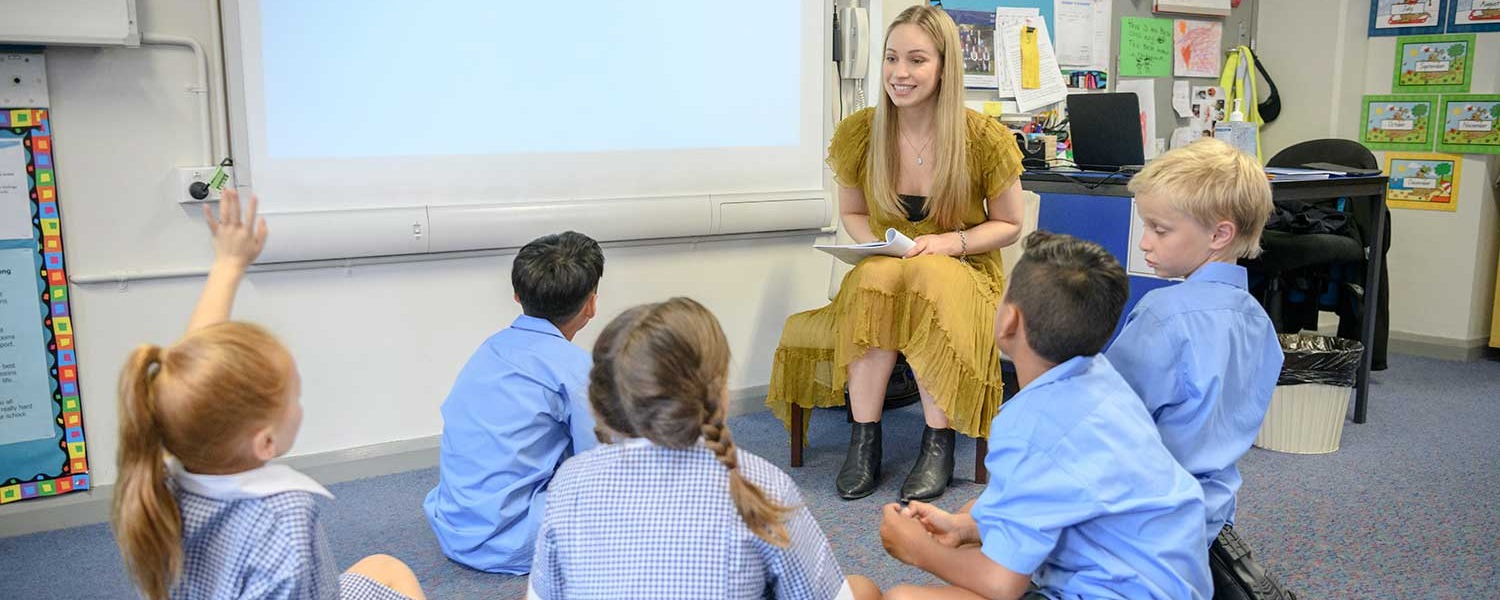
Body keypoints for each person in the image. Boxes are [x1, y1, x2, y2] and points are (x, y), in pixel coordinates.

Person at [767, 5, 1026, 502]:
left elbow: (1011, 224)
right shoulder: (862, 132)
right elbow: (854, 213)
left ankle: (938, 442)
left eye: (916, 60)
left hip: (964, 268)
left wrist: (949, 243)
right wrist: (879, 247)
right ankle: (864, 441)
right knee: (873, 279)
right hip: (890, 266)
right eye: (891, 59)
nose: (899, 73)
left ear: (945, 68)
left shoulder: (983, 138)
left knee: (932, 275)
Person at [112, 189, 424, 600]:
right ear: (266, 442)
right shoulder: (284, 517)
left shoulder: (170, 477)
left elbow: (200, 367)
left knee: (383, 568)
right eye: (295, 397)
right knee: (395, 576)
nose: (300, 404)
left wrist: (228, 264)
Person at [878, 232, 1211, 600]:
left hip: (1116, 590)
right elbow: (1048, 490)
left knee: (902, 598)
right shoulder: (1101, 376)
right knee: (973, 540)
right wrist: (962, 527)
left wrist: (919, 551)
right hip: (1170, 580)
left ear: (1009, 320)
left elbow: (1002, 584)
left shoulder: (1028, 426)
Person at [527, 297, 880, 599]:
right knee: (863, 589)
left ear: (601, 400)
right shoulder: (761, 482)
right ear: (719, 391)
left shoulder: (570, 482)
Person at [1104, 138, 1285, 589]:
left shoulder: (1162, 315)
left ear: (1219, 234)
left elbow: (1108, 414)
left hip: (1148, 511)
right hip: (1212, 510)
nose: (1145, 243)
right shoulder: (1258, 322)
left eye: (1160, 230)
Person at [423, 231, 604, 574]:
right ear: (592, 303)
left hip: (452, 527)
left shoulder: (489, 349)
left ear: (517, 297)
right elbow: (599, 466)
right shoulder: (577, 370)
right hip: (510, 541)